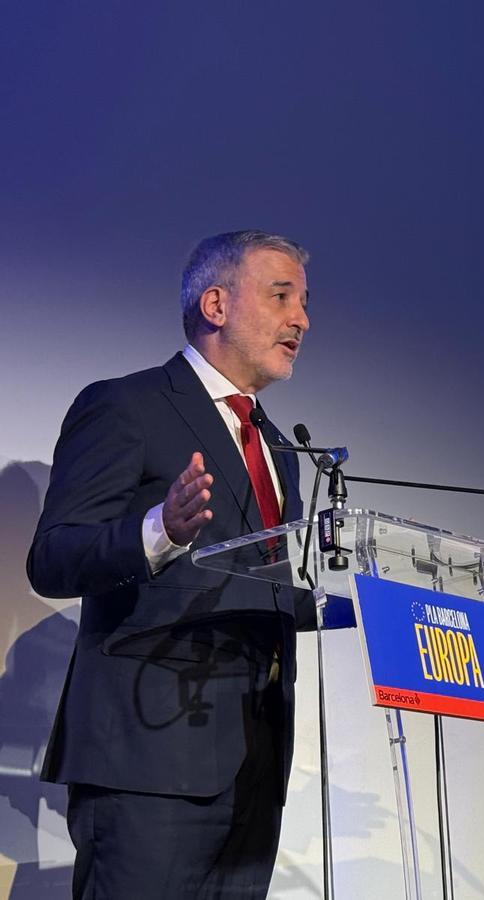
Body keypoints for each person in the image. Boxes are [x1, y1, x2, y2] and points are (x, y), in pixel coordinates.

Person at [27, 230, 314, 899]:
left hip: (253, 764)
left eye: (304, 301)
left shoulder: (281, 448)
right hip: (146, 761)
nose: (302, 318)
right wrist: (161, 529)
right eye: (282, 296)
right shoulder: (127, 405)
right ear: (216, 304)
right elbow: (53, 556)